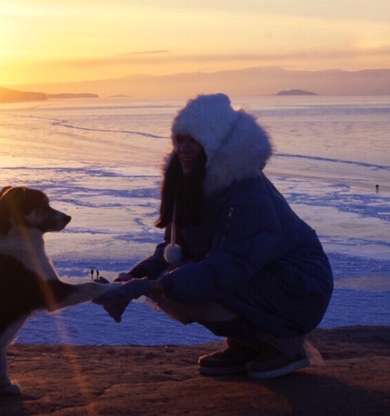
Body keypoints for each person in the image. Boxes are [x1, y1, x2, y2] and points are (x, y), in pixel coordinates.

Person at [94, 93, 333, 380]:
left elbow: (229, 267)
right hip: (259, 280)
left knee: (183, 285)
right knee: (178, 279)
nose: (183, 148)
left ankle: (284, 345)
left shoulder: (247, 193)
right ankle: (247, 344)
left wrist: (152, 286)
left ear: (214, 143)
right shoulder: (192, 182)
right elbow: (175, 249)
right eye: (179, 140)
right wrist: (130, 279)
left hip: (298, 289)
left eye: (193, 140)